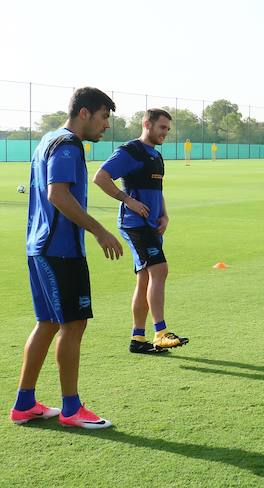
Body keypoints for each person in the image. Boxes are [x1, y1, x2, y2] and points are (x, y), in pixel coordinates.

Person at [10, 87, 122, 429]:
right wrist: (100, 230)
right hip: (60, 250)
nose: (106, 126)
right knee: (73, 324)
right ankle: (71, 409)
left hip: (39, 246)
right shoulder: (69, 144)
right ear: (84, 113)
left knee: (48, 323)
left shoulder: (47, 139)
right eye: (104, 117)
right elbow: (57, 194)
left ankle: (25, 403)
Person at [93, 109, 188, 355]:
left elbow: (157, 191)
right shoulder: (130, 151)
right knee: (160, 269)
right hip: (134, 223)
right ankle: (161, 333)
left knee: (145, 277)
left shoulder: (156, 156)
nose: (165, 132)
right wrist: (128, 200)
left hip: (152, 224)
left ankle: (138, 338)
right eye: (162, 127)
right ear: (147, 124)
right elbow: (101, 177)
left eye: (168, 128)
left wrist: (164, 214)